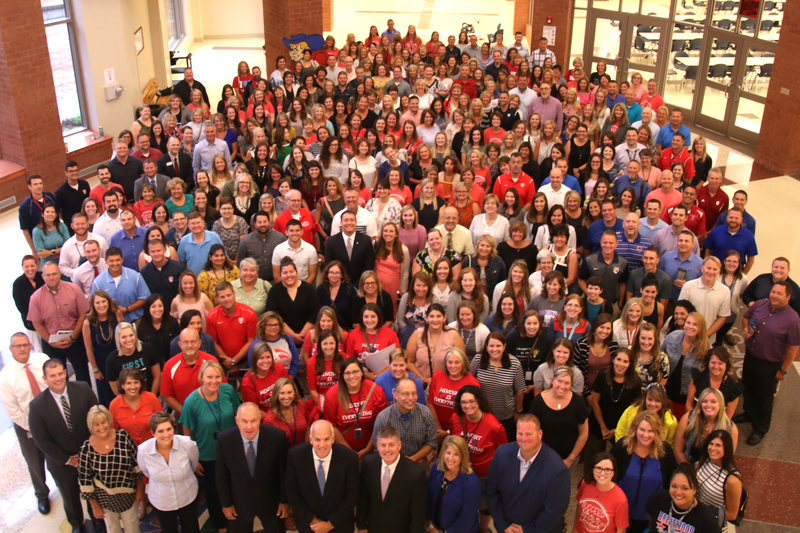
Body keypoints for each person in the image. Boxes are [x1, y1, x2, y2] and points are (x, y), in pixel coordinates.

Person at [29, 359, 99, 533]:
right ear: (45, 378)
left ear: (66, 373)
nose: (58, 378)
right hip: (61, 462)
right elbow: (41, 440)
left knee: (95, 492)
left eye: (60, 373)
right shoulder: (36, 406)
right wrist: (68, 459)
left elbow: (97, 419)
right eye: (53, 376)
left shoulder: (83, 389)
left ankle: (99, 523)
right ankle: (77, 524)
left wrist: (90, 450)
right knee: (70, 496)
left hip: (89, 455)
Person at [179, 360, 241, 531]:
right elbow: (187, 431)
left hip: (232, 451)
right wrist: (194, 459)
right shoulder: (191, 402)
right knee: (214, 494)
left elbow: (238, 414)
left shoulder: (228, 391)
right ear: (202, 378)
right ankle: (221, 526)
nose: (214, 381)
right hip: (207, 455)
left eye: (217, 376)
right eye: (209, 377)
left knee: (235, 486)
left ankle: (237, 519)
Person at [737, 282, 800, 445]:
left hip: (770, 364)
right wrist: (746, 329)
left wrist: (783, 370)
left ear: (788, 297)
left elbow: (793, 348)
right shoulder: (760, 304)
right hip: (751, 357)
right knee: (748, 387)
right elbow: (746, 317)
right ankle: (748, 413)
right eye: (773, 291)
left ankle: (760, 428)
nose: (774, 295)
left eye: (779, 293)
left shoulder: (792, 319)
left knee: (764, 397)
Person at [485, 414, 570, 532]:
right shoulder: (502, 454)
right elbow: (491, 491)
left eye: (529, 434)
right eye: (520, 434)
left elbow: (555, 509)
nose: (524, 439)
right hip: (506, 528)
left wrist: (527, 530)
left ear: (540, 434)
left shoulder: (557, 469)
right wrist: (503, 524)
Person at [215, 402, 290, 533]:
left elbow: (283, 473)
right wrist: (226, 504)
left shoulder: (277, 437)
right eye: (244, 421)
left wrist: (284, 501)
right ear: (237, 421)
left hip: (271, 503)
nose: (249, 427)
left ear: (260, 419)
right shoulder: (224, 440)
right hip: (239, 504)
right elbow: (222, 475)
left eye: (253, 421)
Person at [0, 333, 51, 515]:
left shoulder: (42, 360)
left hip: (52, 420)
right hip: (26, 426)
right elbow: (13, 410)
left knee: (58, 455)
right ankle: (42, 495)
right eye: (18, 346)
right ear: (11, 349)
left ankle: (67, 485)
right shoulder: (6, 376)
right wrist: (35, 428)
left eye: (25, 345)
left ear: (30, 345)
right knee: (35, 463)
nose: (22, 349)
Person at [285, 419, 360, 533]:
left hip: (340, 525)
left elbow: (352, 496)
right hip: (309, 526)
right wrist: (313, 521)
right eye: (317, 439)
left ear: (333, 438)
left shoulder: (349, 458)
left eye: (326, 439)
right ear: (310, 439)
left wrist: (330, 524)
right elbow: (292, 493)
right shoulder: (295, 456)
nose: (322, 445)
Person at [77, 405, 143, 533]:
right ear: (91, 426)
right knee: (112, 528)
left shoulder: (123, 437)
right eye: (96, 424)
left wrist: (140, 491)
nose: (101, 427)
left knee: (132, 526)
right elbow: (85, 480)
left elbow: (137, 466)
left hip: (128, 494)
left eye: (103, 422)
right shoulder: (86, 449)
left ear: (109, 421)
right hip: (105, 498)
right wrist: (94, 505)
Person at [610, 410, 678, 533]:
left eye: (651, 431)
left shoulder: (665, 451)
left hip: (651, 519)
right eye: (642, 430)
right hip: (620, 515)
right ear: (635, 429)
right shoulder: (622, 447)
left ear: (657, 432)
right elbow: (607, 471)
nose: (646, 435)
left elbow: (672, 481)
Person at [137, 412, 201, 533]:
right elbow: (145, 471)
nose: (166, 434)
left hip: (187, 496)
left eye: (169, 429)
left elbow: (193, 464)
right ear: (153, 433)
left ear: (174, 428)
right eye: (160, 431)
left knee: (192, 529)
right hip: (162, 501)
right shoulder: (143, 450)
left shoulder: (187, 444)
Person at [357, 426, 428, 533]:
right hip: (373, 528)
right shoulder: (368, 463)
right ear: (377, 446)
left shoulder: (416, 474)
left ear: (399, 445)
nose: (387, 450)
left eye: (391, 445)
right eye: (383, 445)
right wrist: (361, 524)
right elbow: (363, 496)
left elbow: (418, 514)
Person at [28, 262, 91, 383]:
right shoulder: (36, 297)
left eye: (54, 274)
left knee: (82, 373)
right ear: (43, 276)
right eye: (48, 275)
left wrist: (73, 337)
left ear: (59, 274)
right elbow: (37, 323)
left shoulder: (74, 289)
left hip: (75, 339)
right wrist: (51, 342)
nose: (51, 277)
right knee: (57, 378)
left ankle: (86, 400)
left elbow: (83, 314)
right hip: (51, 342)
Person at [373, 377, 438, 464]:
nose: (411, 398)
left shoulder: (425, 413)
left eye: (414, 393)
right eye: (406, 394)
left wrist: (414, 459)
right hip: (390, 462)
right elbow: (378, 446)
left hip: (419, 461)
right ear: (396, 395)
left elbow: (432, 441)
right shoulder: (383, 418)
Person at [426, 435, 482, 533]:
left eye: (456, 454)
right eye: (448, 453)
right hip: (435, 528)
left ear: (463, 456)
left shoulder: (472, 484)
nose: (450, 458)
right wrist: (431, 525)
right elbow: (429, 498)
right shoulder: (437, 467)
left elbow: (467, 519)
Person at [645, 463, 722, 533]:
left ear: (694, 489)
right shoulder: (659, 498)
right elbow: (651, 517)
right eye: (674, 486)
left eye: (685, 488)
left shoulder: (706, 519)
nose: (678, 492)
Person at [161, 327, 220, 414]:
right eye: (185, 342)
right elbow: (167, 396)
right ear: (180, 344)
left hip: (211, 414)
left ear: (199, 343)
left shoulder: (211, 361)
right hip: (183, 415)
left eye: (193, 341)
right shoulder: (169, 366)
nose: (189, 345)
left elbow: (221, 388)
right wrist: (186, 412)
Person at [662, 312, 710, 420]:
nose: (690, 327)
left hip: (685, 397)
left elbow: (705, 377)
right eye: (688, 323)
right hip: (666, 391)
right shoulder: (672, 337)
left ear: (701, 328)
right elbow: (660, 358)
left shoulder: (706, 349)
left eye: (695, 324)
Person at [674, 388, 738, 465]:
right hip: (688, 466)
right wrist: (688, 472)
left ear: (721, 405)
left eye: (713, 402)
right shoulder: (688, 419)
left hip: (715, 470)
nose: (708, 405)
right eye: (704, 401)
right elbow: (678, 451)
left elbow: (728, 459)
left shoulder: (731, 429)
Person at [696, 430, 743, 532]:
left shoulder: (732, 480)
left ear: (726, 448)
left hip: (712, 525)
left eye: (718, 445)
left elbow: (732, 514)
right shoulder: (706, 460)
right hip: (696, 519)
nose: (713, 448)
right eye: (711, 444)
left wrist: (702, 512)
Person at [678, 256, 731, 345]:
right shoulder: (688, 286)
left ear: (719, 272)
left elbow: (722, 318)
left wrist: (706, 336)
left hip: (708, 340)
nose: (711, 272)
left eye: (715, 269)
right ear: (702, 268)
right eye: (708, 268)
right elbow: (680, 312)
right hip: (687, 337)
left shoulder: (725, 291)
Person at [573, 452, 630, 533]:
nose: (602, 473)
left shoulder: (620, 499)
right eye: (598, 468)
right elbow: (579, 506)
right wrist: (574, 529)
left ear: (613, 473)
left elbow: (621, 529)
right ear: (592, 469)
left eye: (608, 469)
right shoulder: (586, 483)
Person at [93, 247, 151, 323]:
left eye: (117, 260)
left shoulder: (135, 276)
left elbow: (145, 298)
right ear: (106, 261)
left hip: (136, 321)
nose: (115, 264)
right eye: (111, 261)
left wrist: (127, 309)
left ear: (122, 259)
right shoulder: (98, 282)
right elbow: (94, 304)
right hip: (110, 323)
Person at [325, 209, 376, 283]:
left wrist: (358, 284)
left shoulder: (366, 240)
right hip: (338, 284)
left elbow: (369, 266)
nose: (349, 223)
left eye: (352, 220)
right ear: (341, 223)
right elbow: (329, 266)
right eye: (346, 220)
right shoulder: (331, 241)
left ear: (356, 222)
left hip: (361, 285)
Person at [237, 210, 288, 282]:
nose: (262, 224)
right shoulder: (246, 241)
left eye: (265, 222)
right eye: (259, 222)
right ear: (255, 224)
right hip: (254, 282)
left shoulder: (280, 238)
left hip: (277, 282)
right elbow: (240, 263)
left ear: (269, 222)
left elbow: (287, 260)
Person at [704, 207, 758, 275]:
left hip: (736, 273)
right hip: (716, 272)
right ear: (727, 218)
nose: (733, 220)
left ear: (741, 219)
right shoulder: (716, 231)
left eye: (736, 218)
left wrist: (743, 275)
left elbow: (751, 260)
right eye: (731, 217)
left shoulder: (749, 236)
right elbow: (708, 252)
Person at [58, 213, 109, 279]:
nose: (80, 227)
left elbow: (107, 259)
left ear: (88, 224)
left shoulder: (100, 240)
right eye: (77, 224)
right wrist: (77, 272)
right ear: (72, 226)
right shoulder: (67, 246)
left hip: (102, 280)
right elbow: (62, 267)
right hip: (78, 283)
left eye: (83, 223)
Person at [19, 174, 57, 261]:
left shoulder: (49, 197)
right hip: (40, 242)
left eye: (40, 183)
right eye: (35, 184)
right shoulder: (25, 207)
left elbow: (57, 215)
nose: (39, 186)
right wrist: (34, 250)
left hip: (55, 237)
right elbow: (25, 230)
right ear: (29, 187)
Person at [13, 256, 45, 351]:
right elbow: (21, 307)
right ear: (22, 267)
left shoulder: (43, 276)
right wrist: (36, 318)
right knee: (40, 349)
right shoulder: (18, 284)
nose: (30, 269)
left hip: (49, 320)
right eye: (27, 266)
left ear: (36, 266)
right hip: (31, 323)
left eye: (32, 266)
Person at [177, 210, 224, 275]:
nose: (196, 226)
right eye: (193, 223)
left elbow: (223, 257)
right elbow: (182, 262)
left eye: (198, 222)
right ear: (188, 225)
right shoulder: (184, 241)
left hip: (214, 279)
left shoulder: (214, 237)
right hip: (193, 281)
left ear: (203, 223)